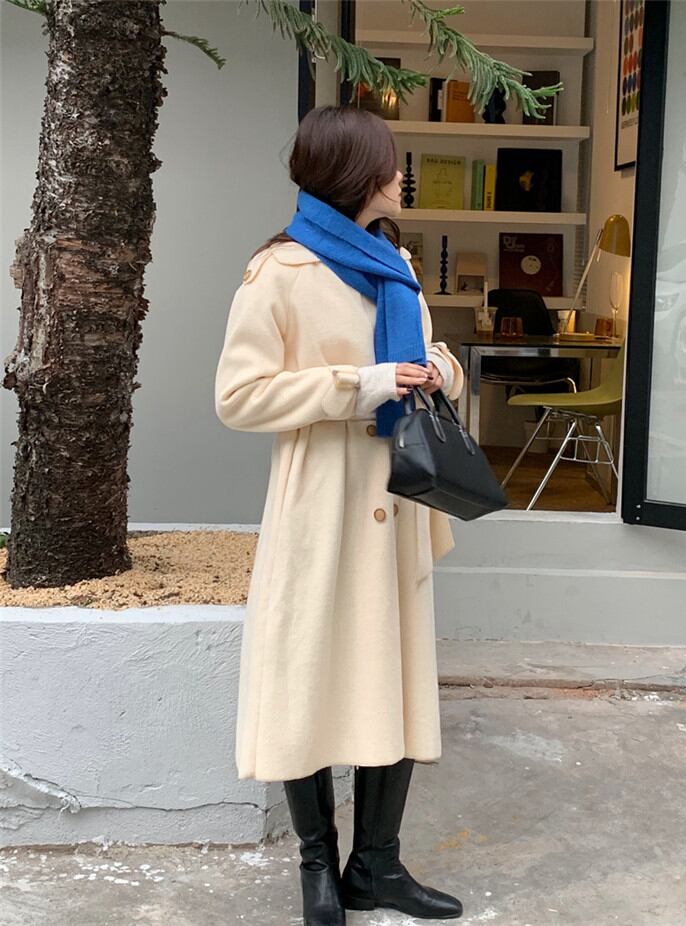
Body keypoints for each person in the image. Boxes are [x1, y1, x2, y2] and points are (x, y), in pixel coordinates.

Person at [214, 104, 465, 924]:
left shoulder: (395, 262)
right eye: (390, 162)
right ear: (357, 173)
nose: (401, 175)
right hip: (323, 506)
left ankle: (377, 867)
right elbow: (239, 397)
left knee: (393, 676)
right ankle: (318, 865)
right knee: (308, 680)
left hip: (396, 498)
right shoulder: (277, 272)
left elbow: (426, 355)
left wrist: (438, 368)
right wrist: (360, 385)